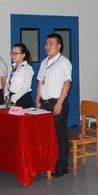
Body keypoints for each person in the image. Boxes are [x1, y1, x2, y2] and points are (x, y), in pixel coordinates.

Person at [36, 33, 72, 177]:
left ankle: (61, 166)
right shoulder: (44, 62)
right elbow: (40, 82)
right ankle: (48, 162)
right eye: (46, 44)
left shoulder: (64, 62)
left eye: (51, 44)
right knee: (46, 135)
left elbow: (67, 83)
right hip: (44, 104)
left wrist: (60, 102)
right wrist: (37, 100)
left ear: (59, 46)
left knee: (59, 135)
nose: (47, 46)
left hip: (57, 103)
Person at [6, 43, 34, 108]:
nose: (13, 55)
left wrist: (13, 99)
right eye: (12, 53)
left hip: (22, 98)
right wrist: (6, 97)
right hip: (11, 97)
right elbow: (8, 84)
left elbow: (26, 87)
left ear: (23, 55)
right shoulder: (11, 68)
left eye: (16, 53)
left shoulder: (27, 68)